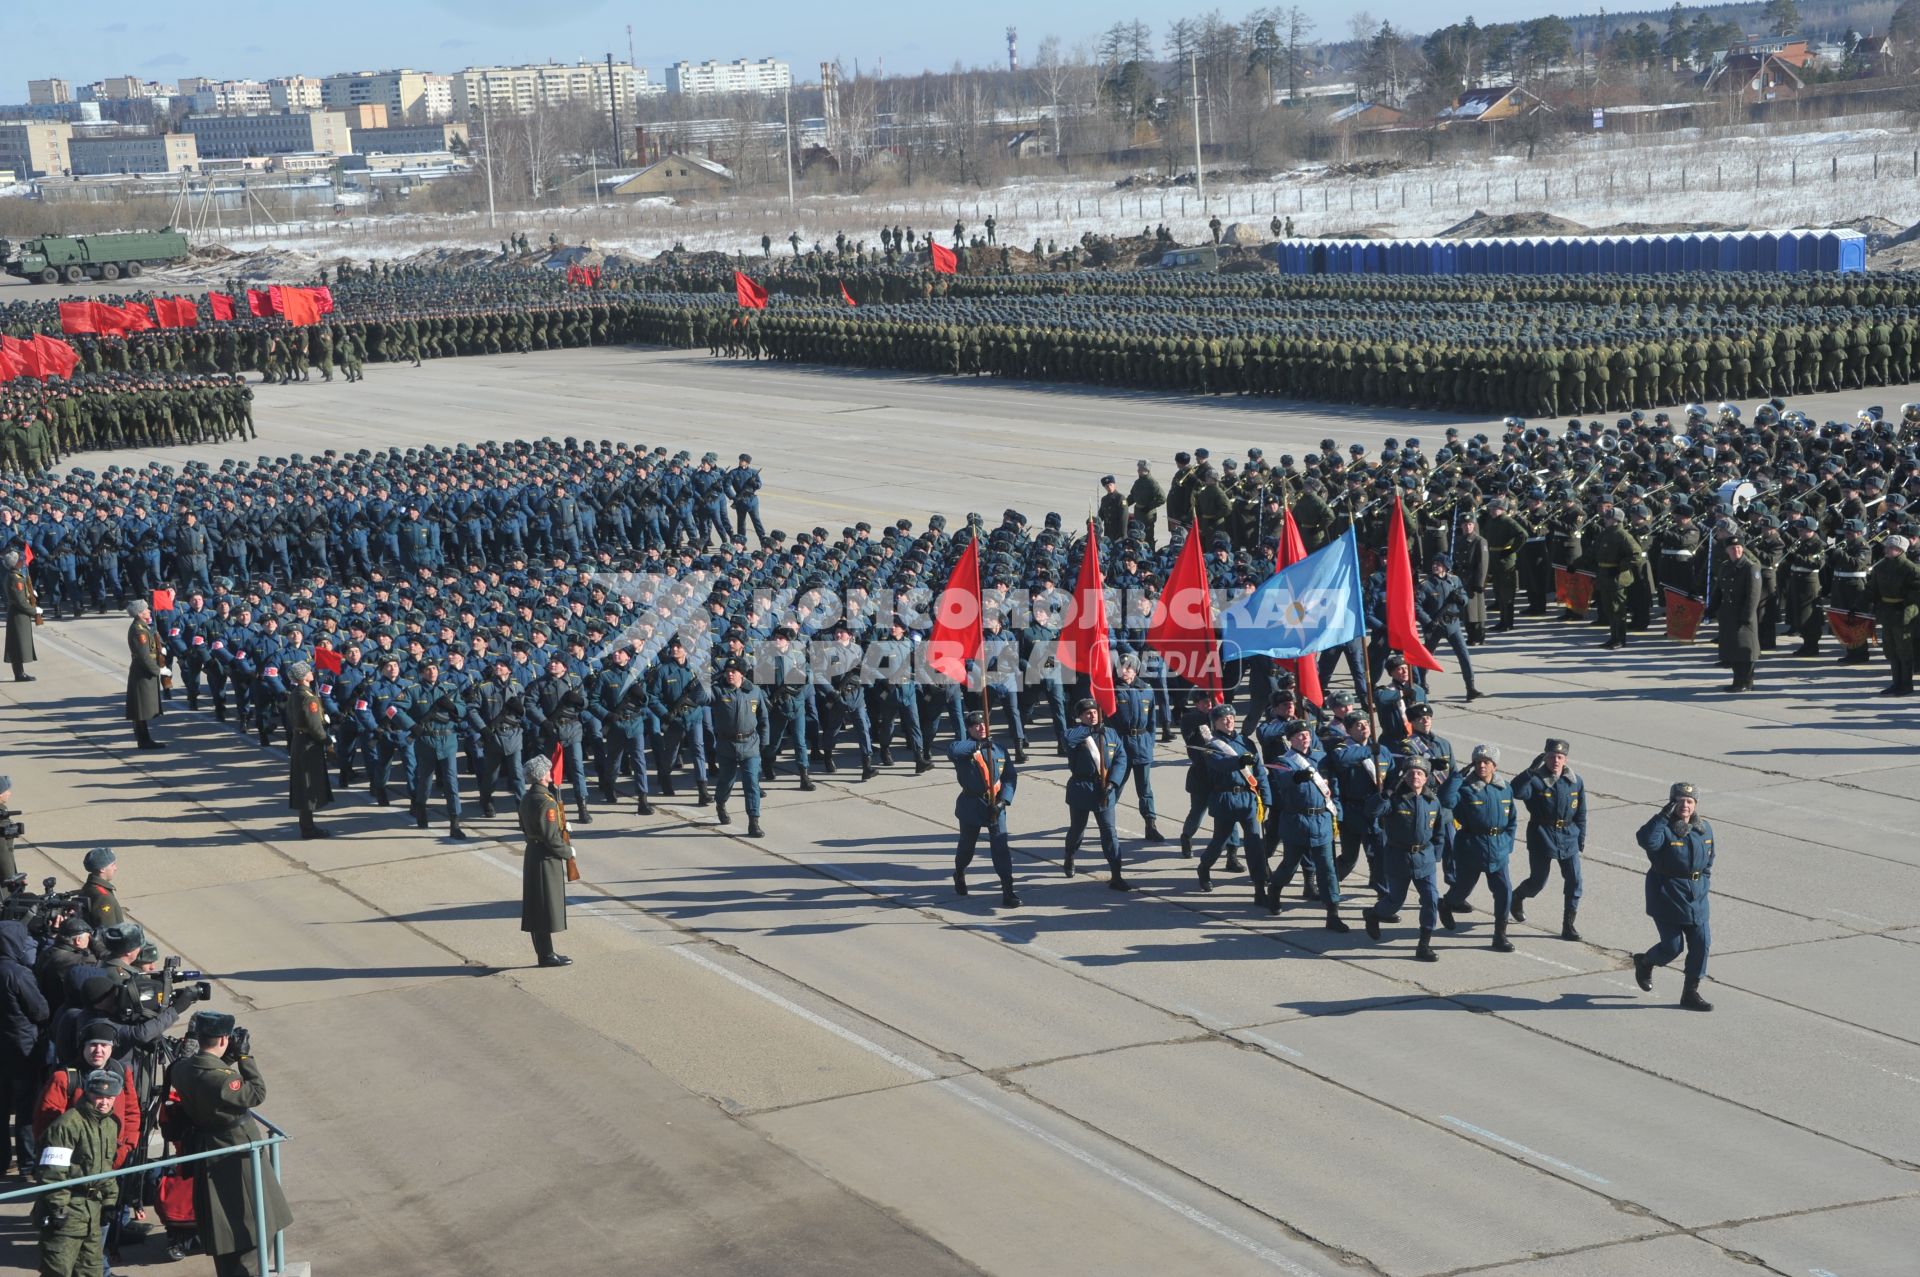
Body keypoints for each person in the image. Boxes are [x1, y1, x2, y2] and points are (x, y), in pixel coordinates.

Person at [164, 1010, 293, 1276]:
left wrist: (229, 1057)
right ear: (224, 1039)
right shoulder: (223, 1079)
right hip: (235, 1151)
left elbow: (206, 1073)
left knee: (221, 1222)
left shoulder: (182, 1069)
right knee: (255, 1220)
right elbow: (256, 1093)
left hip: (206, 1148)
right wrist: (245, 1056)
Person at [1632, 782, 1716, 1011]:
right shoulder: (1664, 829)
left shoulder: (1704, 829)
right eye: (1679, 801)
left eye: (1690, 801)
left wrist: (1703, 883)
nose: (1685, 805)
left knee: (1702, 944)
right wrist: (1661, 816)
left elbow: (1709, 860)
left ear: (1696, 804)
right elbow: (1647, 841)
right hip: (1667, 896)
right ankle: (1646, 962)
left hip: (1696, 897)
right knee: (1672, 947)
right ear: (1671, 803)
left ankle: (1690, 993)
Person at [33, 1068, 123, 1277]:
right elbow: (52, 1173)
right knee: (58, 1271)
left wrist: (110, 1200)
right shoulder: (66, 1125)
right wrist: (58, 1209)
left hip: (93, 1211)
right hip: (67, 1212)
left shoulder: (110, 1125)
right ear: (87, 1093)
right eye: (98, 1096)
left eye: (109, 1098)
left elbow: (106, 1168)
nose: (104, 1102)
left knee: (91, 1271)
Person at [1438, 744, 1518, 951]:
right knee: (1462, 889)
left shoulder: (1504, 787)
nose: (1482, 765)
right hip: (1471, 847)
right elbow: (1446, 800)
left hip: (1498, 848)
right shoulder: (1465, 788)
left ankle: (1499, 935)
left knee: (1504, 891)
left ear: (1495, 765)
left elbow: (1512, 819)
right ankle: (1447, 903)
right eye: (1478, 762)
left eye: (1486, 762)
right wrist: (1456, 778)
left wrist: (1507, 843)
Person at [1362, 759, 1442, 961]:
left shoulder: (1433, 801)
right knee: (1395, 901)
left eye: (1420, 773)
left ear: (1426, 778)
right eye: (1411, 773)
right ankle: (1374, 913)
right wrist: (1383, 795)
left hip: (1425, 859)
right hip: (1398, 858)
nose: (1416, 776)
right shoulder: (1395, 800)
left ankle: (1424, 945)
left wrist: (1436, 855)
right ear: (1404, 777)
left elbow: (1439, 831)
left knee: (1431, 899)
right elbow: (1372, 812)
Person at [1508, 738, 1587, 940]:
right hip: (1542, 836)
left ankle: (1568, 925)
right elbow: (1516, 792)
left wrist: (1581, 838)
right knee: (1538, 881)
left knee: (1575, 881)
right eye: (1551, 756)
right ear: (1545, 757)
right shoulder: (1536, 780)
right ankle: (1517, 897)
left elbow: (1581, 812)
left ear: (1566, 759)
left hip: (1569, 837)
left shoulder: (1575, 781)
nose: (1556, 761)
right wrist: (1529, 771)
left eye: (1560, 757)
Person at [949, 710, 1019, 906]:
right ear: (969, 729)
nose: (982, 728)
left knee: (1000, 848)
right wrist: (978, 745)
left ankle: (1008, 889)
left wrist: (1003, 801)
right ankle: (960, 872)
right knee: (966, 847)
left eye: (984, 724)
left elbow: (1010, 777)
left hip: (995, 806)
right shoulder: (963, 749)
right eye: (976, 725)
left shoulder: (998, 749)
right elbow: (953, 751)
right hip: (972, 805)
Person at [1196, 705, 1268, 895]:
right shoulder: (1212, 745)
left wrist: (1266, 797)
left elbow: (1259, 772)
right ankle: (1204, 867)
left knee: (1254, 843)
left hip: (1248, 797)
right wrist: (1239, 762)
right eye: (1223, 719)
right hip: (1225, 798)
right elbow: (1220, 765)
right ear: (1216, 723)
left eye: (1231, 717)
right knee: (1220, 842)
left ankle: (1260, 885)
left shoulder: (1246, 742)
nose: (1228, 721)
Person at [1061, 699, 1129, 890]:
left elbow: (1121, 758)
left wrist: (1113, 782)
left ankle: (1116, 874)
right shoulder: (1074, 734)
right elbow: (1067, 740)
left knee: (1109, 832)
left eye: (1095, 712)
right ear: (1080, 716)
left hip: (1104, 789)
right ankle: (1070, 855)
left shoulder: (1111, 733)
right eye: (1087, 713)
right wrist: (1089, 731)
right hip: (1082, 789)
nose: (1092, 716)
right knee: (1077, 830)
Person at [1, 916, 48, 1177]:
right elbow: (40, 1010)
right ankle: (28, 1163)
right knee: (26, 1107)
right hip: (22, 1048)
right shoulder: (18, 973)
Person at [518, 755, 574, 968]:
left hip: (533, 852)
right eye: (548, 772)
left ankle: (545, 952)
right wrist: (568, 852)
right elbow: (550, 838)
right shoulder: (546, 802)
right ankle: (546, 955)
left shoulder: (527, 798)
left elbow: (526, 826)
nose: (551, 776)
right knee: (543, 908)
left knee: (536, 907)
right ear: (542, 776)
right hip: (545, 857)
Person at [710, 658, 768, 839]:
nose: (729, 674)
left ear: (741, 674)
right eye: (727, 670)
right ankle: (720, 803)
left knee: (752, 783)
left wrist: (764, 742)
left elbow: (763, 717)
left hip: (750, 744)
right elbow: (700, 698)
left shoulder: (754, 691)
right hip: (727, 745)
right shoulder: (718, 690)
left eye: (733, 671)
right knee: (726, 781)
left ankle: (754, 821)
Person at [1108, 658, 1163, 842]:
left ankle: (1151, 825)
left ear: (1136, 670)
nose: (1124, 670)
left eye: (1128, 667)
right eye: (1121, 667)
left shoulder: (1146, 689)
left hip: (1142, 745)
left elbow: (1152, 722)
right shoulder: (1112, 690)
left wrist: (1150, 742)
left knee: (1145, 789)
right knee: (1114, 786)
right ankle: (1106, 824)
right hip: (1121, 745)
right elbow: (1106, 721)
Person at [284, 662, 333, 839]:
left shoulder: (295, 694)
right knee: (308, 785)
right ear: (304, 676)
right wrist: (327, 741)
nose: (312, 673)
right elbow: (314, 725)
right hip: (309, 744)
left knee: (303, 784)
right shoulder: (308, 697)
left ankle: (307, 825)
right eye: (309, 672)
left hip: (299, 740)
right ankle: (308, 828)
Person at [1717, 535, 1762, 692]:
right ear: (1727, 550)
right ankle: (1737, 681)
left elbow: (1753, 595)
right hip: (1729, 614)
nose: (1735, 550)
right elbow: (1719, 589)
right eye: (1732, 548)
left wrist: (1747, 616)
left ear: (1742, 549)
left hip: (1743, 615)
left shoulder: (1751, 568)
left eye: (1738, 548)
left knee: (1745, 650)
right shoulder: (1725, 566)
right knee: (1733, 649)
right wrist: (1712, 609)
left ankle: (1746, 682)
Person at [125, 599, 166, 749]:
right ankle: (144, 740)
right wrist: (157, 671)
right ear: (140, 613)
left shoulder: (143, 627)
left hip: (144, 670)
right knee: (140, 710)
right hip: (143, 672)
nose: (149, 611)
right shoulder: (138, 630)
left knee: (141, 709)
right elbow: (143, 655)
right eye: (146, 610)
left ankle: (144, 739)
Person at [4, 549, 37, 682]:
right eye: (19, 560)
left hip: (19, 614)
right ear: (15, 563)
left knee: (18, 644)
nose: (22, 561)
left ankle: (20, 673)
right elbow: (20, 601)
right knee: (17, 645)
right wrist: (35, 611)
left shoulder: (16, 576)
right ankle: (19, 674)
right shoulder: (14, 578)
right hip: (18, 615)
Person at [78, 847, 125, 932]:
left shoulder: (89, 887)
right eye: (112, 865)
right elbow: (109, 931)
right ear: (102, 869)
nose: (115, 868)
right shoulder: (103, 897)